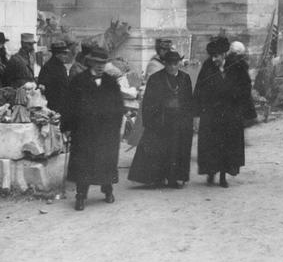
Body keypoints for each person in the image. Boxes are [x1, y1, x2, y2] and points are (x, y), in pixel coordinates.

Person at [61, 46, 125, 211]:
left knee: (106, 162)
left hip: (106, 132)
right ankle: (81, 196)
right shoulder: (79, 81)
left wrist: (115, 127)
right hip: (85, 132)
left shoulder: (111, 82)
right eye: (97, 62)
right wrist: (67, 127)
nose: (100, 66)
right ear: (90, 62)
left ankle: (107, 190)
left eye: (103, 63)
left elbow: (119, 107)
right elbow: (69, 105)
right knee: (84, 164)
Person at [128, 50, 194, 188]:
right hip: (161, 120)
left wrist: (189, 121)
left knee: (176, 150)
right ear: (165, 64)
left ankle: (174, 179)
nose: (172, 67)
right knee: (158, 150)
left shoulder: (185, 78)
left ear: (179, 64)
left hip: (178, 121)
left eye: (175, 64)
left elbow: (188, 101)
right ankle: (157, 178)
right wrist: (151, 121)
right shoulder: (156, 78)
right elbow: (148, 102)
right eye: (169, 64)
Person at [193, 36, 251, 188]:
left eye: (217, 56)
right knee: (211, 145)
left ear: (224, 54)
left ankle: (224, 176)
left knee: (228, 145)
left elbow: (246, 87)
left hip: (231, 113)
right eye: (212, 56)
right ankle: (211, 172)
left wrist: (242, 108)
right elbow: (199, 89)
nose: (214, 59)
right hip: (212, 114)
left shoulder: (237, 66)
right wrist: (197, 113)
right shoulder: (207, 67)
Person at [226, 41, 257, 125]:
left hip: (236, 86)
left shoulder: (229, 60)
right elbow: (245, 77)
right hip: (240, 87)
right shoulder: (240, 62)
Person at [37, 41, 70, 114]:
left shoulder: (61, 67)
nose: (66, 56)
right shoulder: (48, 68)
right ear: (57, 54)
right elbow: (43, 89)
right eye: (64, 53)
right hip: (53, 107)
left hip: (62, 105)